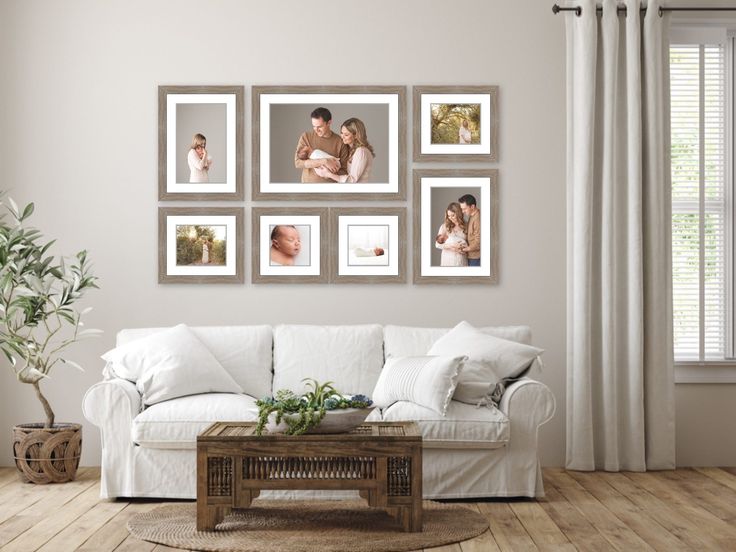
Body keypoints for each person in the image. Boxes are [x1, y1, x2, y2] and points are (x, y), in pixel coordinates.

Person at [294, 107, 350, 183]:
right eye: (314, 126)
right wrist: (324, 161)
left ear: (329, 123)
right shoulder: (306, 137)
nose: (316, 130)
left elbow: (344, 171)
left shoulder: (340, 142)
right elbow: (298, 163)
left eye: (319, 126)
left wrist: (328, 173)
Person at [314, 118, 375, 183]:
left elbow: (352, 180)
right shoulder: (351, 150)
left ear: (356, 136)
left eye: (346, 135)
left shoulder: (361, 151)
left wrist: (329, 174)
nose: (342, 137)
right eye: (341, 133)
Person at [435, 202, 468, 267]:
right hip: (448, 260)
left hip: (461, 260)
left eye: (452, 215)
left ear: (459, 214)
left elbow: (469, 244)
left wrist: (464, 250)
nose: (450, 218)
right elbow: (437, 244)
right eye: (449, 216)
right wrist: (452, 246)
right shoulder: (444, 226)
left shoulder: (467, 226)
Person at [458, 194, 481, 266]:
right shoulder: (472, 215)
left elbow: (479, 242)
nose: (462, 211)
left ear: (472, 206)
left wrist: (464, 249)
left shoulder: (478, 219)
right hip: (472, 256)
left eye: (464, 209)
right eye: (461, 209)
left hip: (476, 257)